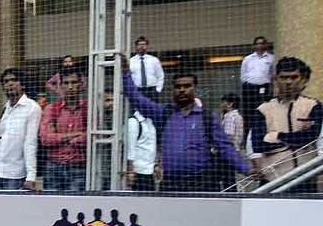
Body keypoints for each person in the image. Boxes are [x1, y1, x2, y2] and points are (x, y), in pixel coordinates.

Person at [123, 71, 252, 192]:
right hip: (170, 185)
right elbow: (137, 99)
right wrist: (125, 73)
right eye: (178, 87)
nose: (182, 90)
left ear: (195, 89)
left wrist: (246, 169)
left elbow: (225, 148)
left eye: (187, 86)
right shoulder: (164, 113)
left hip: (201, 185)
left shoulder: (207, 117)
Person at [251, 57, 322, 189]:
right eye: (283, 77)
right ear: (276, 80)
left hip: (306, 179)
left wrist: (275, 136)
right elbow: (259, 145)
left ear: (302, 79)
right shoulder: (263, 109)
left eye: (294, 77)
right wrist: (298, 137)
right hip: (272, 180)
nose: (288, 82)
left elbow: (311, 136)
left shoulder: (313, 105)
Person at [39, 69, 88, 191]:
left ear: (80, 84)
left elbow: (92, 136)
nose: (70, 87)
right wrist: (76, 134)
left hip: (79, 167)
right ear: (61, 86)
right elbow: (44, 138)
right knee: (51, 201)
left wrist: (59, 137)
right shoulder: (51, 109)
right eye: (66, 83)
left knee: (76, 201)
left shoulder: (89, 108)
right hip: (53, 167)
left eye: (74, 82)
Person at [0, 68, 41, 190]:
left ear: (22, 83)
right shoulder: (5, 109)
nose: (10, 84)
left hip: (16, 175)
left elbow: (30, 143)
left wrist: (31, 176)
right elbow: (1, 140)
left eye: (14, 80)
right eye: (6, 81)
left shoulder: (32, 108)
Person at [240, 35, 274, 133]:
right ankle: (249, 132)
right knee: (249, 111)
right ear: (254, 46)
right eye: (258, 44)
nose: (260, 46)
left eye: (262, 43)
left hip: (264, 88)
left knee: (263, 110)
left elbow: (272, 73)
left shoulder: (271, 58)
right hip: (250, 88)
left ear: (266, 45)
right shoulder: (248, 59)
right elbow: (243, 75)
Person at [126, 108, 157, 192]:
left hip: (150, 171)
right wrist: (130, 172)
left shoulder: (150, 121)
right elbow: (130, 148)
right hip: (138, 172)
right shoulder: (133, 121)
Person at [129, 36, 163, 101]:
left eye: (143, 44)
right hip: (137, 90)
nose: (141, 46)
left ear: (147, 46)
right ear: (136, 46)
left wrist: (158, 89)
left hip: (151, 90)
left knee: (153, 107)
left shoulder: (154, 60)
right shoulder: (131, 61)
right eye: (139, 45)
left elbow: (160, 76)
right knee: (137, 107)